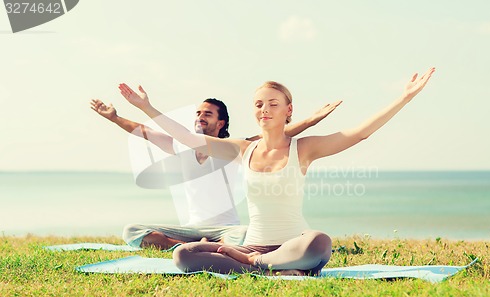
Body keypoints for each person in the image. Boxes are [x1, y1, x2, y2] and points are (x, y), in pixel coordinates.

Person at [117, 67, 435, 275]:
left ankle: (257, 265)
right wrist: (146, 107)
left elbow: (359, 133)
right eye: (258, 104)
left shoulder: (304, 149)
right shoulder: (244, 149)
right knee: (183, 256)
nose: (264, 110)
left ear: (288, 110)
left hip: (290, 242)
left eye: (272, 103)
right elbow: (188, 139)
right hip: (251, 243)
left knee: (319, 242)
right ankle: (272, 266)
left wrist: (403, 99)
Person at [90, 90, 340, 250]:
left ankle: (200, 246)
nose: (200, 116)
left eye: (207, 114)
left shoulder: (234, 151)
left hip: (227, 230)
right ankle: (187, 246)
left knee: (245, 236)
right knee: (132, 231)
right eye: (198, 113)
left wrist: (312, 120)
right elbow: (143, 131)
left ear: (220, 123)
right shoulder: (180, 147)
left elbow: (279, 133)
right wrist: (114, 117)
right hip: (189, 229)